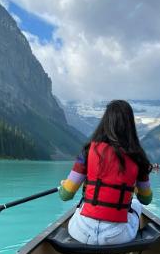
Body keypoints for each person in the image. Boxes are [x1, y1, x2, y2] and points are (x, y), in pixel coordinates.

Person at [58, 100, 153, 245]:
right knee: (136, 205)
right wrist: (132, 189)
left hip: (82, 232)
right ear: (130, 125)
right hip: (117, 237)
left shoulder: (88, 151)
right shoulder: (138, 157)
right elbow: (146, 199)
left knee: (82, 205)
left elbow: (65, 195)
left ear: (105, 122)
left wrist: (64, 185)